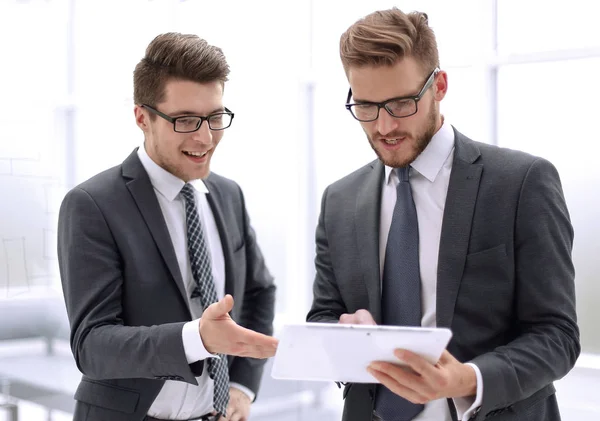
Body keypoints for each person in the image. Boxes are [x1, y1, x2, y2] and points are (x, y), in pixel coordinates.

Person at [306, 8, 580, 421]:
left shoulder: (521, 183)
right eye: (365, 106)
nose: (383, 126)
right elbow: (324, 314)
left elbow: (557, 336)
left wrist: (467, 379)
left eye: (400, 103)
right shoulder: (340, 200)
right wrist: (349, 336)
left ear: (440, 85)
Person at [58, 33, 277, 421]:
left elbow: (259, 291)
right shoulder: (92, 205)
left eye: (214, 117)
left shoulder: (228, 195)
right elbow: (92, 346)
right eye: (185, 120)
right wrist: (196, 338)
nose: (205, 137)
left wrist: (242, 388)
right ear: (142, 117)